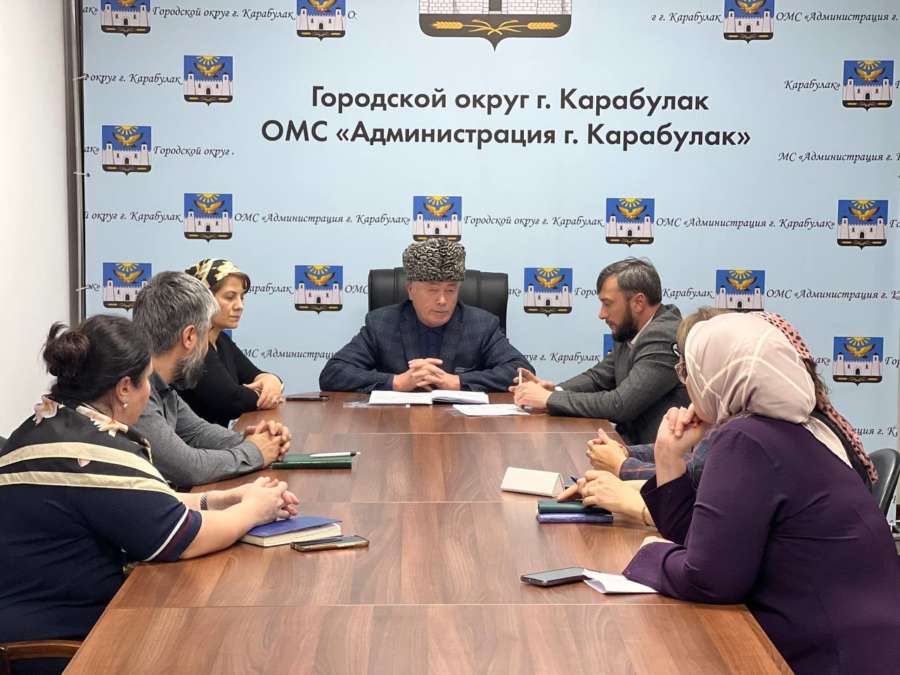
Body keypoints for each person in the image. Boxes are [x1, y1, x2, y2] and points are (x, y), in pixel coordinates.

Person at [0, 316, 298, 671]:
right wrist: (255, 510)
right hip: (55, 649)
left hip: (32, 628)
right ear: (124, 388)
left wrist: (224, 499)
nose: (148, 394)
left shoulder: (44, 429)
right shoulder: (94, 455)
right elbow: (185, 537)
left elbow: (137, 503)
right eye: (146, 381)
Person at [610, 311, 900, 674]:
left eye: (689, 370)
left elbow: (710, 579)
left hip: (831, 658)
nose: (687, 382)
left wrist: (650, 556)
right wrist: (669, 458)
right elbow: (707, 544)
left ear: (717, 373)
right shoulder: (795, 431)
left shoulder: (746, 440)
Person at [561, 309, 877, 526]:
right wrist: (626, 464)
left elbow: (707, 536)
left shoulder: (756, 436)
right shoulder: (779, 418)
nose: (687, 378)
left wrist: (625, 478)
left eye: (693, 365)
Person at [131, 271, 291, 488]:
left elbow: (196, 432)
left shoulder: (162, 385)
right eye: (207, 332)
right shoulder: (135, 391)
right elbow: (189, 468)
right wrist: (255, 452)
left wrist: (258, 439)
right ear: (189, 337)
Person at [511, 258, 688, 444]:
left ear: (638, 302)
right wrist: (554, 390)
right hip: (627, 445)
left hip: (653, 455)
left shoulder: (664, 336)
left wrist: (550, 399)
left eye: (607, 304)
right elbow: (598, 378)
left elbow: (620, 404)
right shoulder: (631, 328)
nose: (601, 314)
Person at [319, 238, 533, 392]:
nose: (442, 300)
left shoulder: (481, 325)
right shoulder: (381, 324)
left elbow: (522, 373)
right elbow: (333, 373)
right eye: (432, 290)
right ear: (411, 290)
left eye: (451, 290)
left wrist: (457, 382)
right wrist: (397, 382)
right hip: (396, 427)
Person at [180, 259, 284, 427]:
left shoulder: (222, 340)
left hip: (216, 440)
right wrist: (267, 395)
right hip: (190, 442)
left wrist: (272, 381)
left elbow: (255, 374)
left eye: (242, 297)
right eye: (230, 297)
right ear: (203, 299)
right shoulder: (191, 343)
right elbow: (230, 401)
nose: (240, 306)